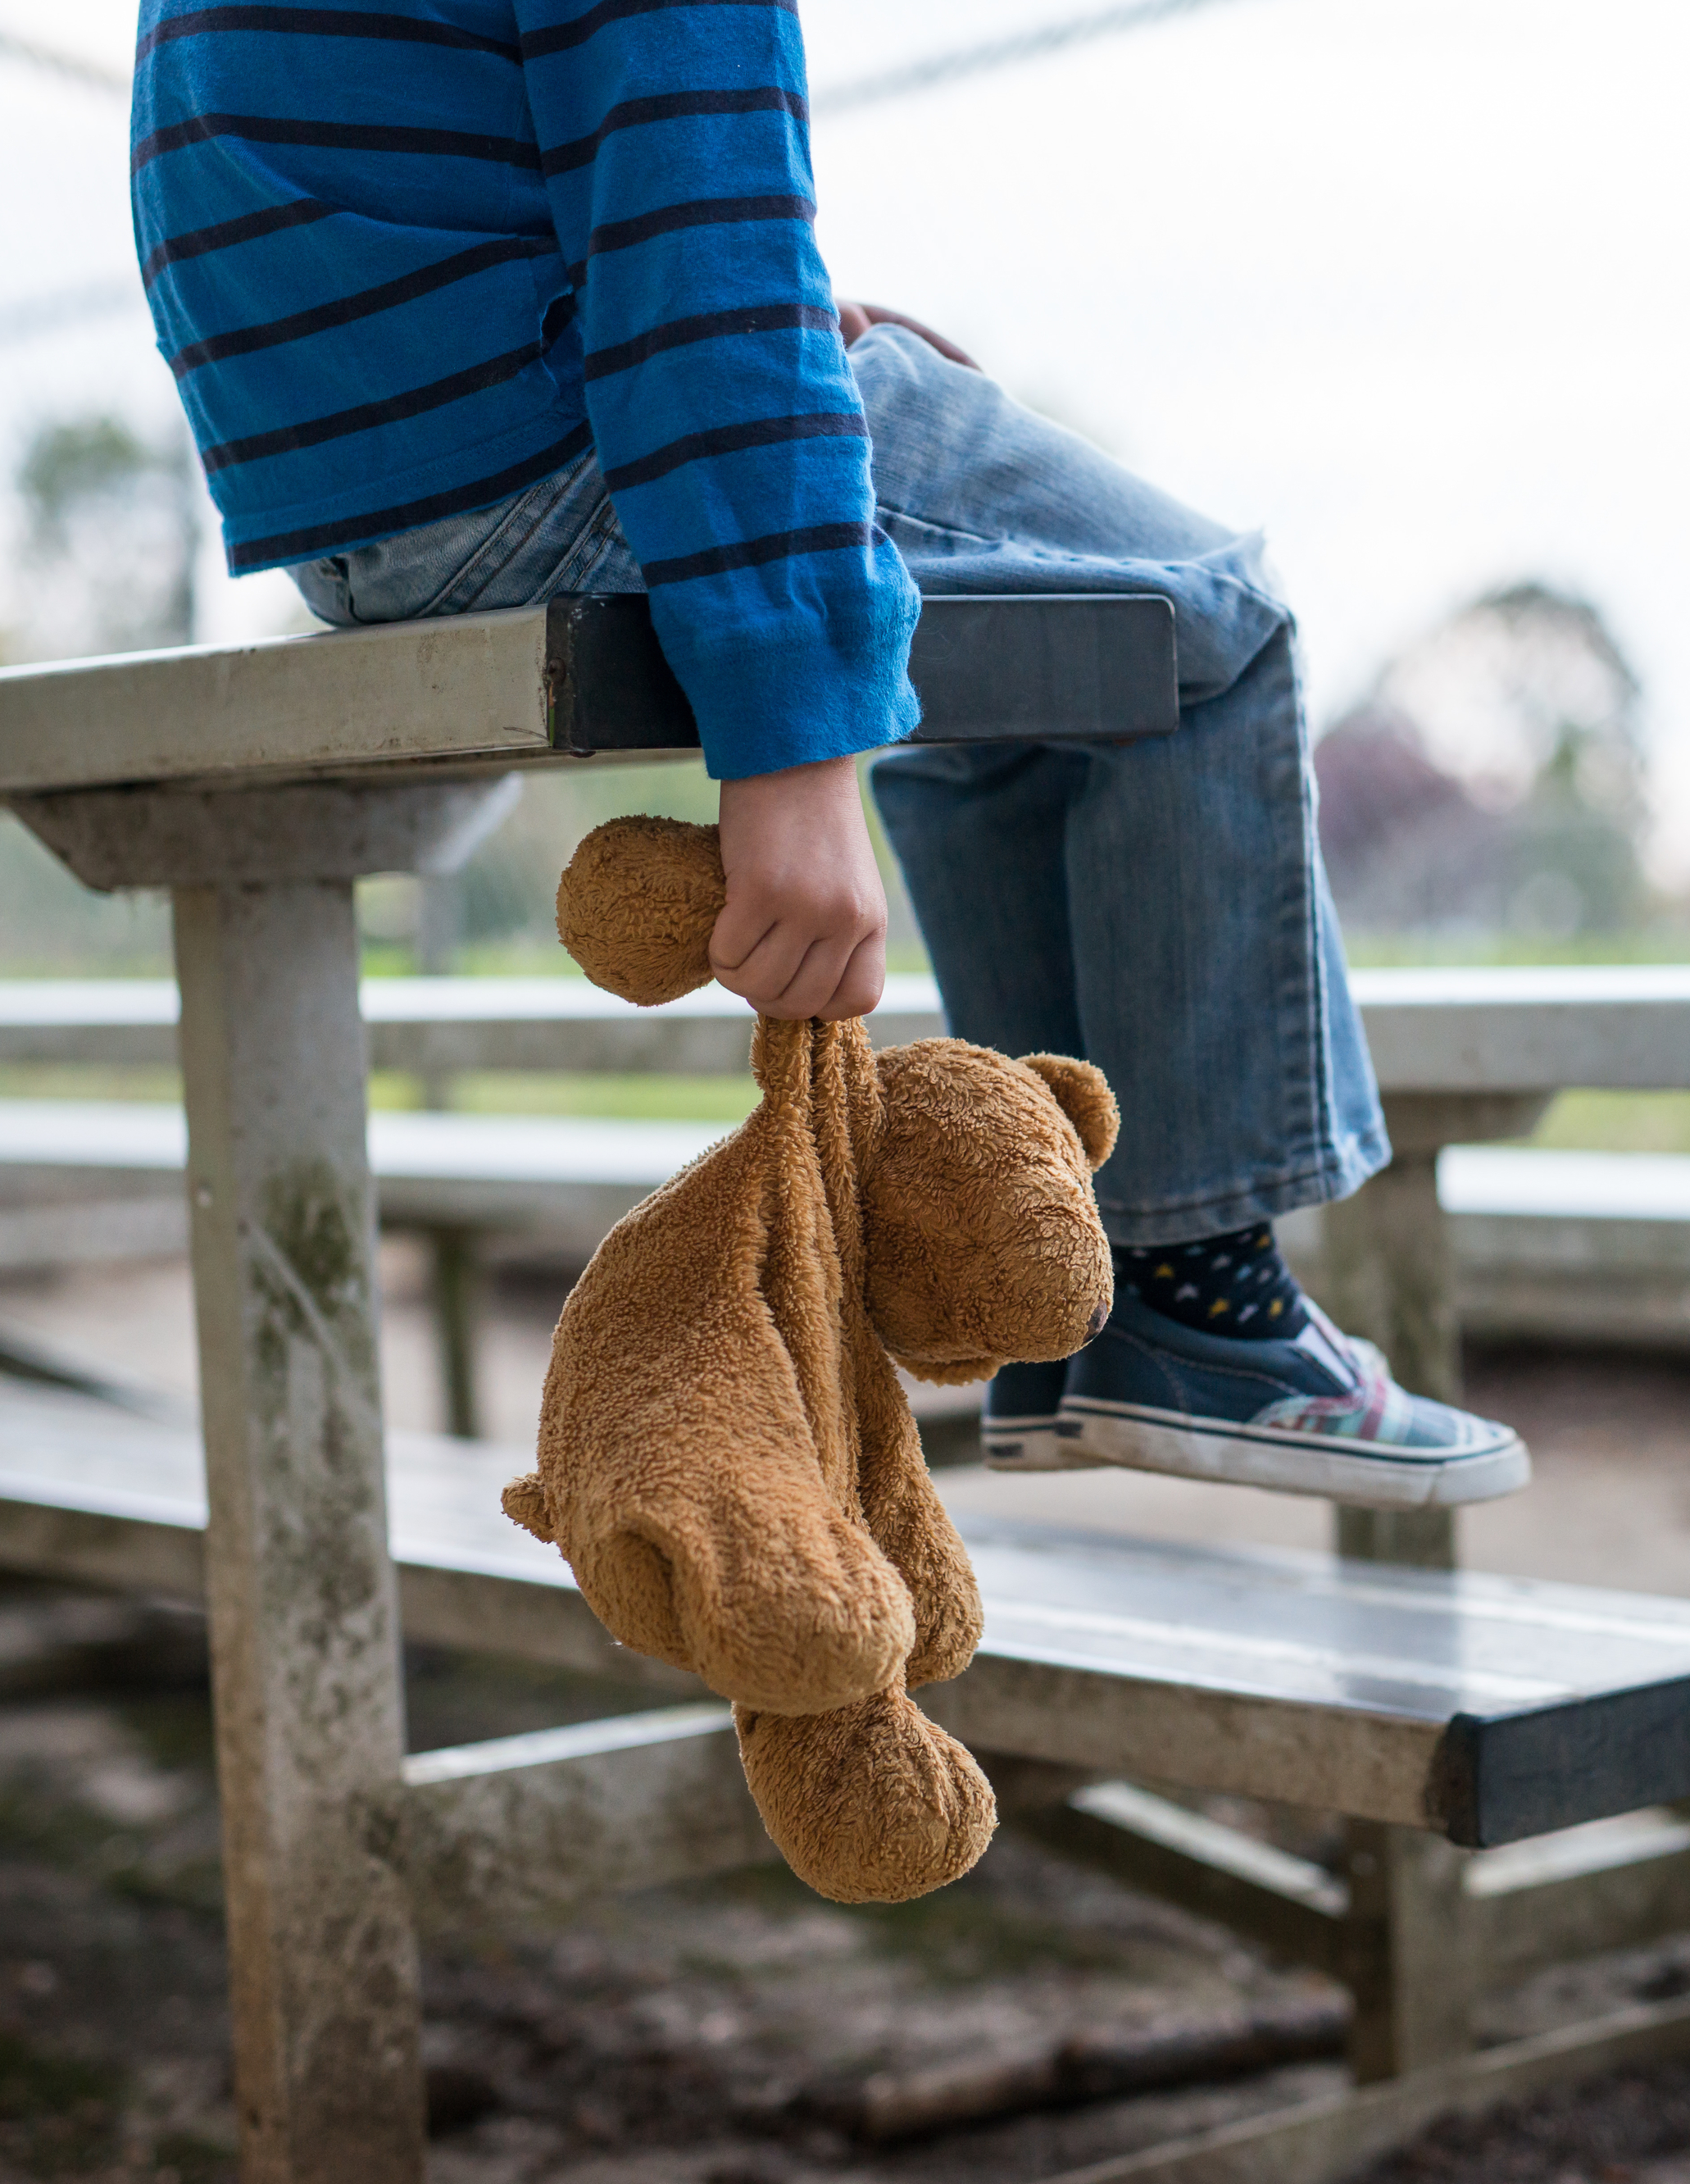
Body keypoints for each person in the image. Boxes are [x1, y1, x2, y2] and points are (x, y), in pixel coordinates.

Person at [130, 0, 1525, 1508]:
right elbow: (692, 212)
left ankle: (1068, 1282)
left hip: (351, 501)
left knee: (1020, 654)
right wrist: (792, 742)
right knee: (1209, 620)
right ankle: (1196, 1301)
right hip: (549, 435)